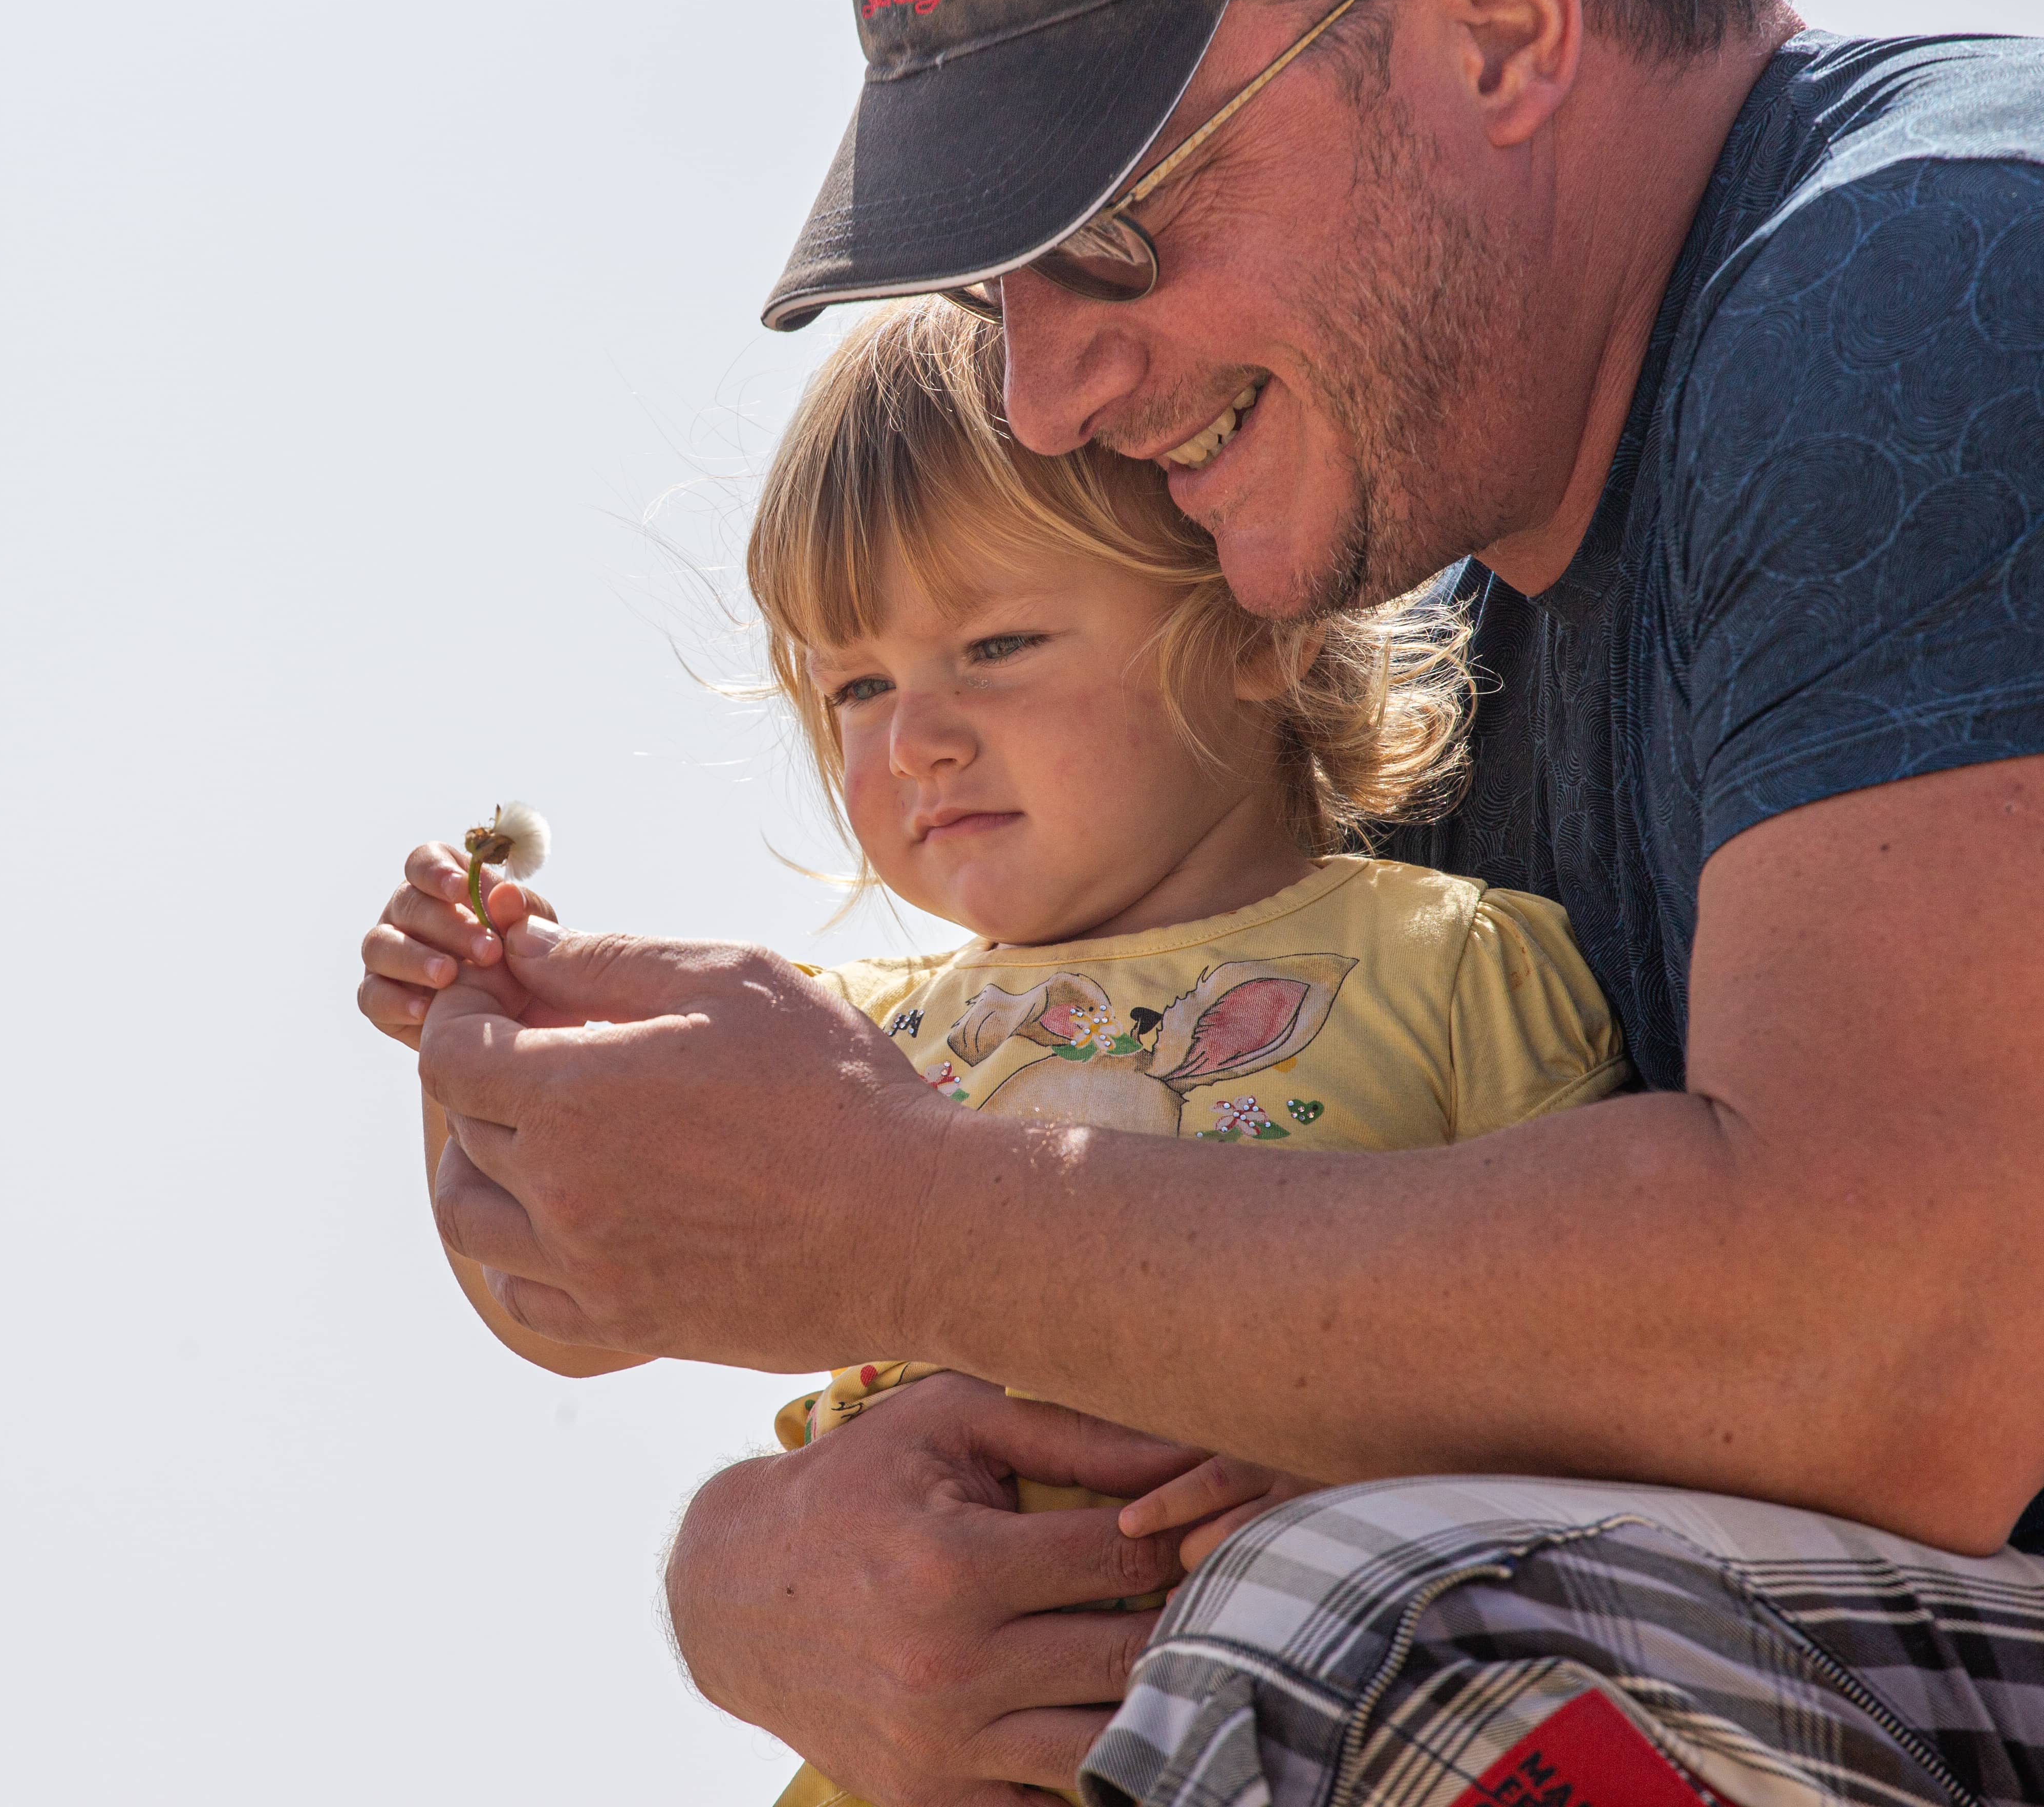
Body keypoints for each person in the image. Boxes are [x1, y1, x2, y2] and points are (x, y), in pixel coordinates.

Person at [415, 0, 2044, 1802]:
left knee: (1379, 1616)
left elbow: (1899, 1338)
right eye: (990, 283)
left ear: (1500, 21)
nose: (1038, 391)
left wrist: (900, 1218)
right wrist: (766, 1582)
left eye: (1109, 224)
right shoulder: (1419, 684)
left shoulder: (1938, 272)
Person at [359, 295, 1631, 1806]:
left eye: (997, 644)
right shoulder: (831, 1047)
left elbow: (1628, 1362)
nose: (916, 742)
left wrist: (1409, 1490)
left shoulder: (1455, 963)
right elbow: (568, 1295)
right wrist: (477, 1058)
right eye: (856, 686)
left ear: (1257, 621)